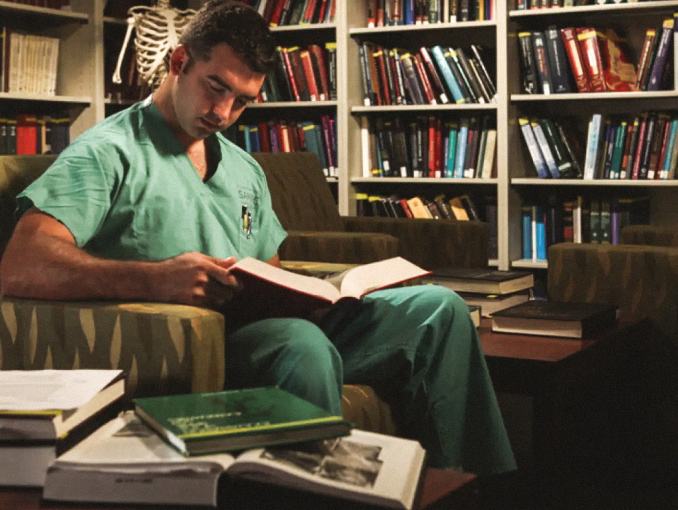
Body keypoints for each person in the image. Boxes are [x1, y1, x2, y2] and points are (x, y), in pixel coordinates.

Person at [0, 0, 515, 476]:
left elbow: (269, 268)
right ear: (178, 61)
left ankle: (467, 488)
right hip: (195, 344)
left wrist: (322, 295)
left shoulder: (243, 167)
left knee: (438, 308)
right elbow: (22, 263)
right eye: (215, 86)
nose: (223, 113)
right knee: (302, 343)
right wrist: (156, 279)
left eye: (242, 101)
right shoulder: (106, 153)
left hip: (266, 325)